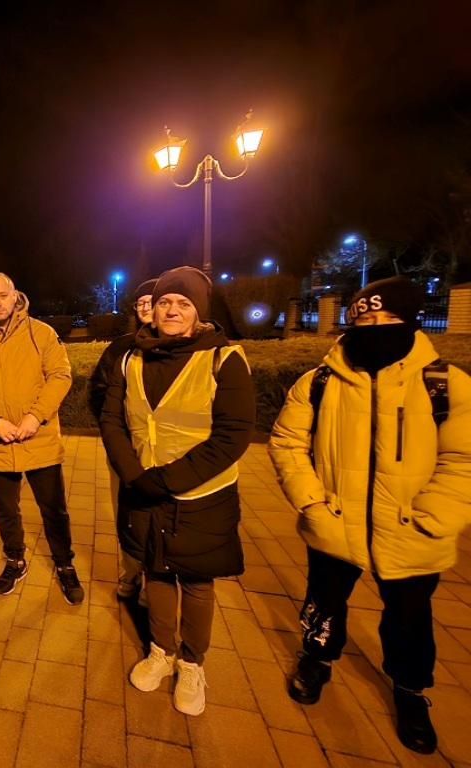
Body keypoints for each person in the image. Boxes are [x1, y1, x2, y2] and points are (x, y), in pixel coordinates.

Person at [269, 277, 471, 755]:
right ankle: (317, 658)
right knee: (324, 601)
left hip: (412, 527)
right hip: (335, 519)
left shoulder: (445, 384)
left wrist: (433, 515)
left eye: (389, 318)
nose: (377, 327)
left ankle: (410, 688)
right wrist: (312, 503)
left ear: (411, 321)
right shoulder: (319, 382)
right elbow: (288, 442)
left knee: (410, 616)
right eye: (366, 319)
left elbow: (463, 458)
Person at [99, 266, 254, 716]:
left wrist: (163, 480)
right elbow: (112, 419)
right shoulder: (131, 357)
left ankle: (191, 663)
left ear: (198, 312)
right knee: (156, 571)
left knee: (198, 581)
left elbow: (232, 436)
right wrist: (133, 474)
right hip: (143, 486)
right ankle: (161, 651)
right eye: (165, 302)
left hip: (200, 495)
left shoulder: (224, 359)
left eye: (183, 304)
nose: (171, 310)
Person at [0, 272, 84, 605]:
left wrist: (35, 416)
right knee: (6, 510)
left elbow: (60, 376)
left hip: (38, 436)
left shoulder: (41, 333)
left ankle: (64, 563)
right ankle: (14, 559)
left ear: (16, 296)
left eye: (3, 295)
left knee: (53, 508)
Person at [89, 277, 157, 602]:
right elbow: (97, 390)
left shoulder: (182, 349)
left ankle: (156, 579)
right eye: (140, 303)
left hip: (164, 451)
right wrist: (115, 431)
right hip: (125, 447)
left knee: (158, 517)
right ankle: (130, 573)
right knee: (126, 515)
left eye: (151, 301)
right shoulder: (121, 347)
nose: (145, 307)